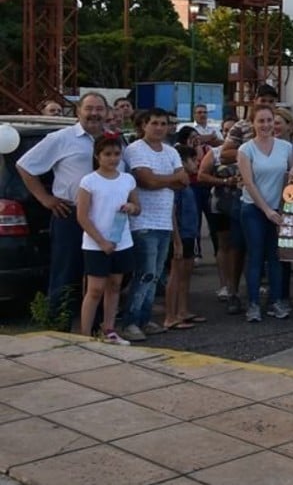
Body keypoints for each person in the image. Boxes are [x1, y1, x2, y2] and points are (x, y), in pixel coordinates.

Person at [17, 92, 111, 324]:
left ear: (107, 113)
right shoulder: (61, 138)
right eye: (89, 108)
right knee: (65, 273)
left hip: (103, 217)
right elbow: (25, 166)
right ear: (78, 111)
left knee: (98, 275)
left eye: (99, 109)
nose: (94, 114)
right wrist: (46, 199)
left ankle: (95, 327)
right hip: (70, 215)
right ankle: (58, 326)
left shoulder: (112, 141)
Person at [121, 107, 187, 341]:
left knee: (156, 274)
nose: (160, 128)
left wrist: (160, 180)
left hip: (164, 221)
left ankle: (145, 318)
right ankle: (130, 321)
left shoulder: (171, 151)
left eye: (163, 123)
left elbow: (185, 180)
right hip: (143, 221)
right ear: (143, 126)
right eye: (155, 123)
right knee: (145, 273)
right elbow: (145, 181)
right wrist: (170, 180)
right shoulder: (135, 150)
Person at [75, 135, 140, 344]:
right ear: (98, 156)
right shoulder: (89, 181)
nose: (113, 159)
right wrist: (101, 241)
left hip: (122, 240)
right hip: (96, 243)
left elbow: (137, 207)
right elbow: (82, 216)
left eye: (116, 154)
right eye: (107, 154)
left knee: (115, 285)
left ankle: (109, 328)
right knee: (95, 289)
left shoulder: (127, 179)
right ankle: (85, 334)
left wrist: (131, 207)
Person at [237, 104, 293, 322]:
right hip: (253, 208)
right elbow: (249, 183)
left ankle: (276, 301)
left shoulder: (285, 147)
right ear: (253, 123)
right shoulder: (246, 149)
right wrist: (266, 210)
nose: (265, 125)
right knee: (255, 256)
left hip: (278, 209)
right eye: (260, 121)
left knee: (276, 257)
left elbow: (290, 176)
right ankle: (253, 303)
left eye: (269, 121)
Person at [163, 144, 204, 331]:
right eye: (193, 160)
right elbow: (172, 213)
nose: (197, 163)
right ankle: (170, 315)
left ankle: (183, 310)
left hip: (190, 233)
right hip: (180, 234)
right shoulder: (176, 186)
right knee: (176, 274)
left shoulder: (188, 183)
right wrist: (176, 240)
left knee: (185, 274)